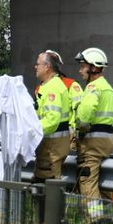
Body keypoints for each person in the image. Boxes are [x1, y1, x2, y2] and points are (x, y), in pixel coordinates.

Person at [74, 47, 113, 224]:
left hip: (92, 141)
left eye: (83, 66)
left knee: (87, 180)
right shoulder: (108, 88)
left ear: (93, 67)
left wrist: (80, 128)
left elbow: (85, 114)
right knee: (103, 183)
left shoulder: (93, 87)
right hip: (106, 140)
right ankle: (109, 217)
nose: (80, 70)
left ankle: (96, 220)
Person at [32, 50, 77, 184]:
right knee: (43, 185)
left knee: (47, 188)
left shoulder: (52, 87)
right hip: (50, 148)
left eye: (38, 64)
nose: (35, 66)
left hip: (51, 149)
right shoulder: (49, 85)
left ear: (47, 67)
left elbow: (51, 119)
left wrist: (31, 129)